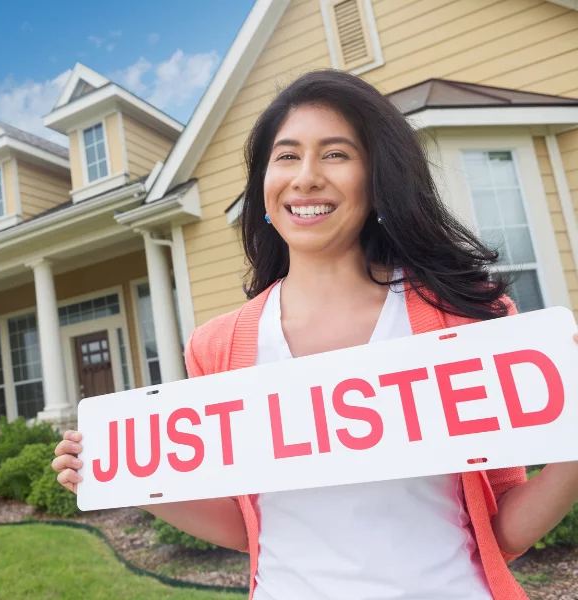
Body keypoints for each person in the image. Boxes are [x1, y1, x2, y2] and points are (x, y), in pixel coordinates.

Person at [52, 70, 578, 600]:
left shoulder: (462, 317)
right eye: (286, 156)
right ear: (264, 184)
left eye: (335, 154)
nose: (305, 177)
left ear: (377, 180)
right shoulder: (216, 347)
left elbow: (506, 528)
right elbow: (249, 524)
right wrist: (124, 478)